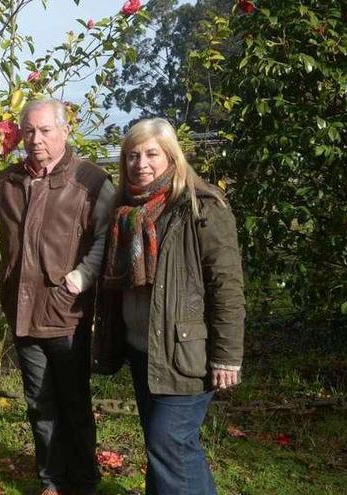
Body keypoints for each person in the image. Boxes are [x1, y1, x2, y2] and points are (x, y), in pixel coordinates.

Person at [0, 98, 115, 495]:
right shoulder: (10, 180)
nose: (36, 139)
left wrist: (82, 276)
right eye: (29, 131)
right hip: (22, 310)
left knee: (73, 404)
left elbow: (106, 236)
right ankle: (51, 480)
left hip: (66, 313)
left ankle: (83, 481)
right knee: (39, 403)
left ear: (65, 131)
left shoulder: (91, 181)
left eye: (46, 130)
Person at [94, 118, 245, 495]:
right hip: (143, 349)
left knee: (168, 443)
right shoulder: (125, 209)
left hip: (186, 352)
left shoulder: (200, 207)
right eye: (131, 155)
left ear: (171, 157)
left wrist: (228, 356)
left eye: (150, 154)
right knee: (168, 446)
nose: (140, 164)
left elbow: (226, 286)